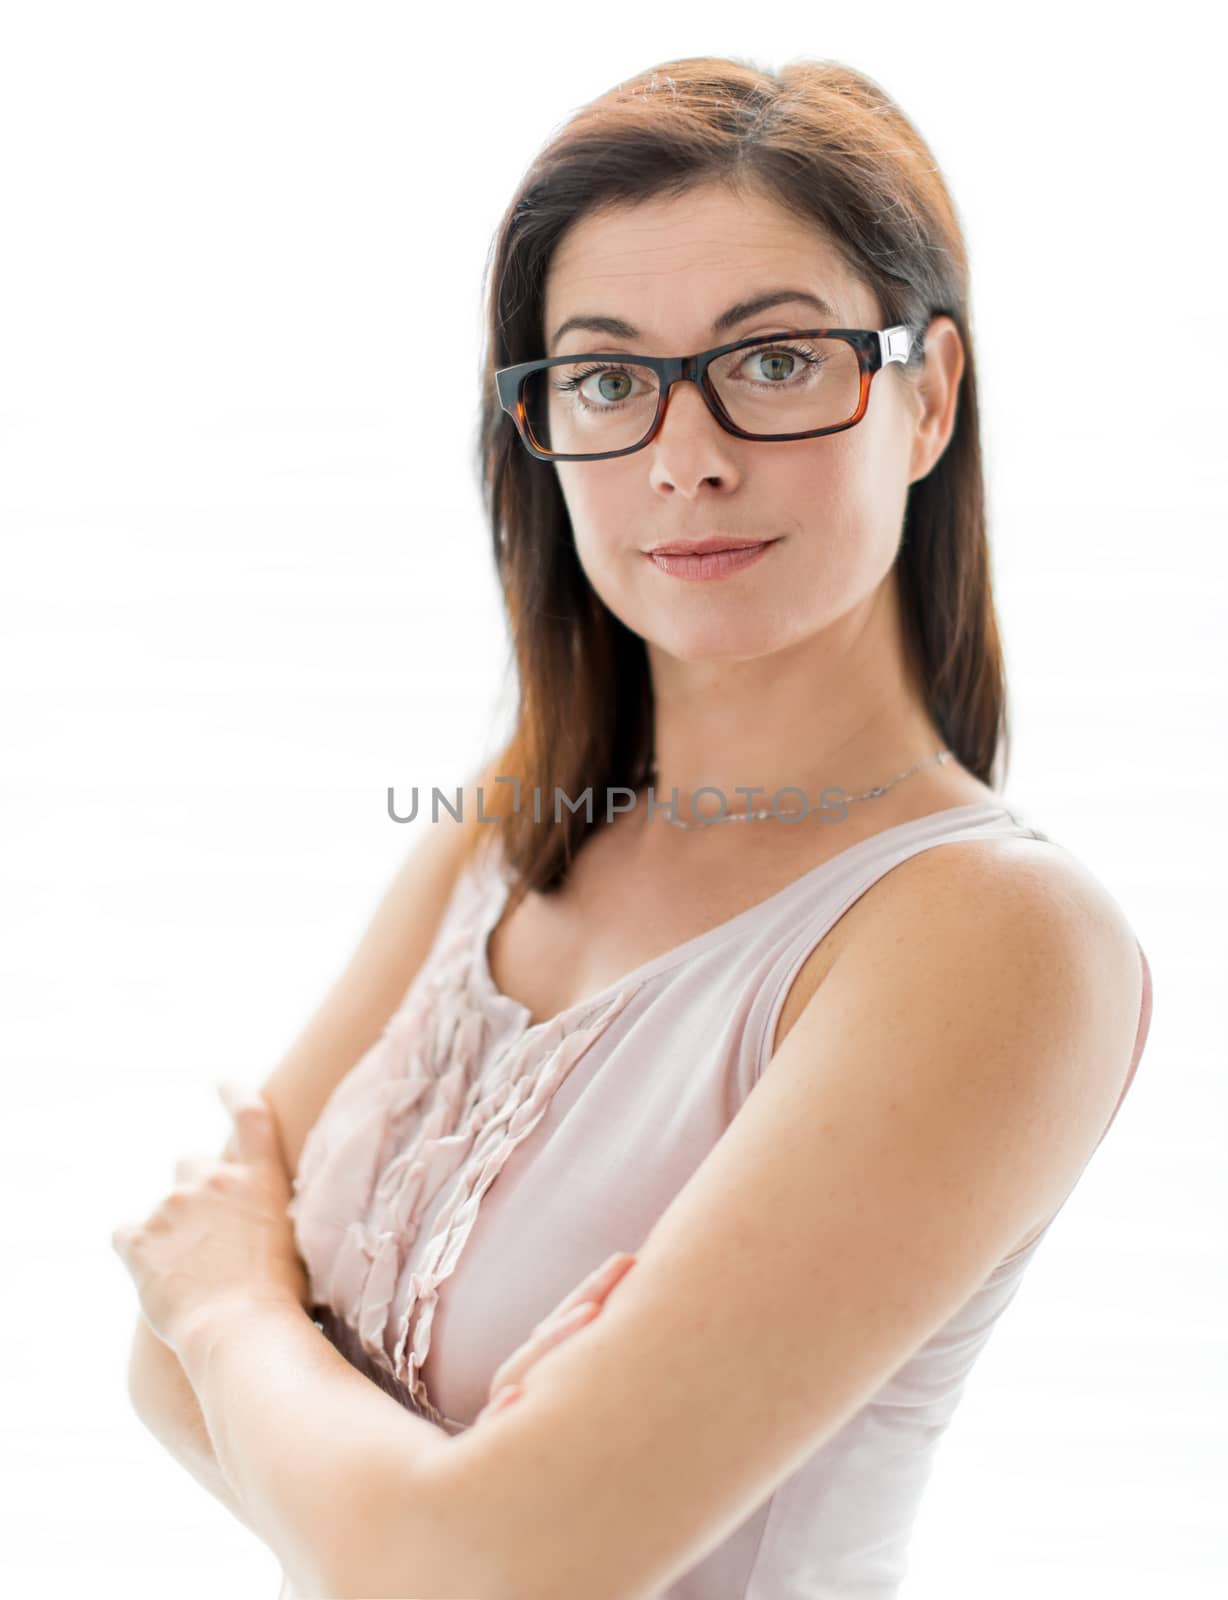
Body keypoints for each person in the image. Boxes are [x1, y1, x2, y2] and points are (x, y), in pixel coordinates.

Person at [129, 54, 1154, 1599]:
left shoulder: (996, 938)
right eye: (607, 379)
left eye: (779, 361)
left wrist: (232, 1307)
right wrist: (430, 1493)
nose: (688, 454)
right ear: (539, 426)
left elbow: (476, 1565)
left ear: (926, 394)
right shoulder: (508, 832)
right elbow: (152, 1389)